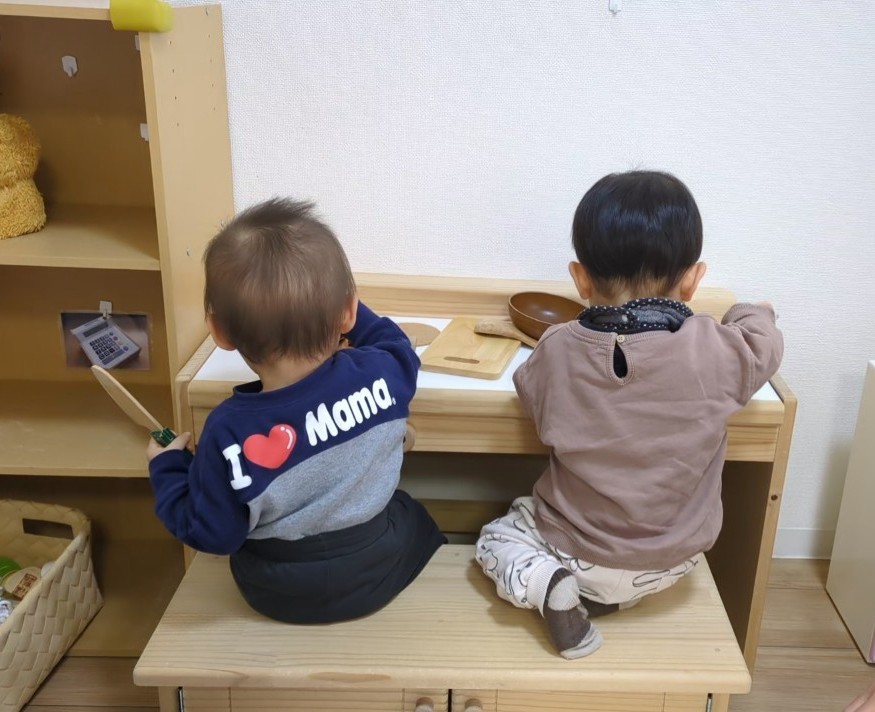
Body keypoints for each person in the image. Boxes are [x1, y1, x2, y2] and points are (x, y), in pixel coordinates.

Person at [475, 170, 784, 659]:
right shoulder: (717, 350)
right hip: (673, 562)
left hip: (577, 552)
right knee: (625, 571)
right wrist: (753, 311)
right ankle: (611, 598)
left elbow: (530, 395)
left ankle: (550, 585)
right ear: (692, 280)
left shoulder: (556, 349)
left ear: (580, 278)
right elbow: (764, 344)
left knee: (497, 536)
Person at [146, 197, 445, 624]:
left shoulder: (227, 430)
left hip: (274, 590)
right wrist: (344, 310)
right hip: (377, 569)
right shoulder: (382, 370)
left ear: (219, 332)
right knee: (413, 513)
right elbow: (396, 342)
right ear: (348, 312)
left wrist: (169, 470)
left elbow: (212, 534)